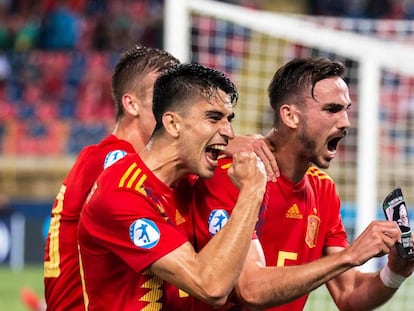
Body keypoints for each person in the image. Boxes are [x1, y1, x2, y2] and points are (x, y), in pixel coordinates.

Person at [182, 57, 414, 310]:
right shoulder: (232, 176)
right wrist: (351, 256)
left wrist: (394, 272)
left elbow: (349, 293)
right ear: (290, 116)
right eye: (332, 109)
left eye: (346, 109)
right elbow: (251, 290)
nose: (346, 122)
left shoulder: (323, 189)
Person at [77, 63, 268, 310]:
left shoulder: (189, 184)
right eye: (213, 118)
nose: (229, 132)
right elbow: (210, 287)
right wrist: (251, 192)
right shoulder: (121, 193)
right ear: (173, 124)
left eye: (229, 119)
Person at [43, 45, 180, 311]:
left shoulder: (101, 158)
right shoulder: (116, 161)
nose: (173, 108)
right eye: (162, 96)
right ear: (131, 104)